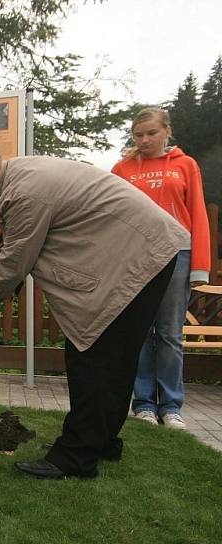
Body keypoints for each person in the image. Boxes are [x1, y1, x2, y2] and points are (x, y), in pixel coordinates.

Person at [0, 144, 188, 479]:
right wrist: (3, 222)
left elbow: (16, 263)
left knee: (90, 355)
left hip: (138, 258)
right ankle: (99, 441)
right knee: (113, 359)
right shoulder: (21, 177)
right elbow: (25, 214)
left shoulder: (24, 193)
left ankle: (75, 458)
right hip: (146, 252)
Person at [111, 108, 210, 430]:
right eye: (138, 135)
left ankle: (171, 407)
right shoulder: (122, 168)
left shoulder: (185, 165)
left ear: (167, 131)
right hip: (135, 256)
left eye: (151, 133)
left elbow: (197, 212)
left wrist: (200, 267)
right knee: (139, 331)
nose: (144, 140)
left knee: (169, 333)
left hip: (177, 254)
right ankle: (143, 404)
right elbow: (111, 216)